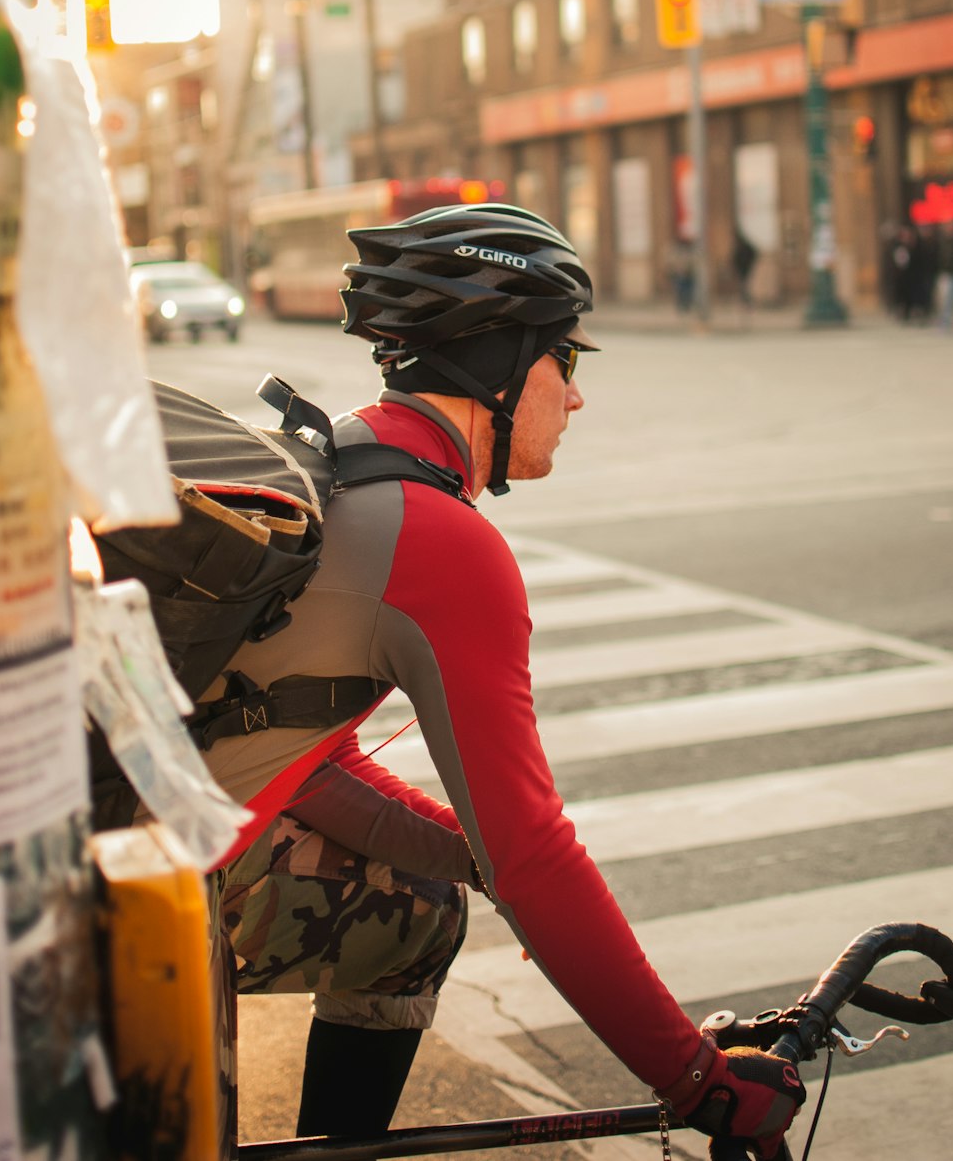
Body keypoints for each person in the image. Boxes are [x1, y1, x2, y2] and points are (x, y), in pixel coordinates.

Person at [203, 203, 804, 1157]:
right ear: (495, 366)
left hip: (109, 832)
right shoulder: (445, 543)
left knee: (419, 901)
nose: (573, 396)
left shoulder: (343, 449)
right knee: (417, 913)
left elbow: (313, 762)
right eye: (564, 360)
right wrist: (700, 1079)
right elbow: (535, 854)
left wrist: (474, 859)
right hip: (151, 887)